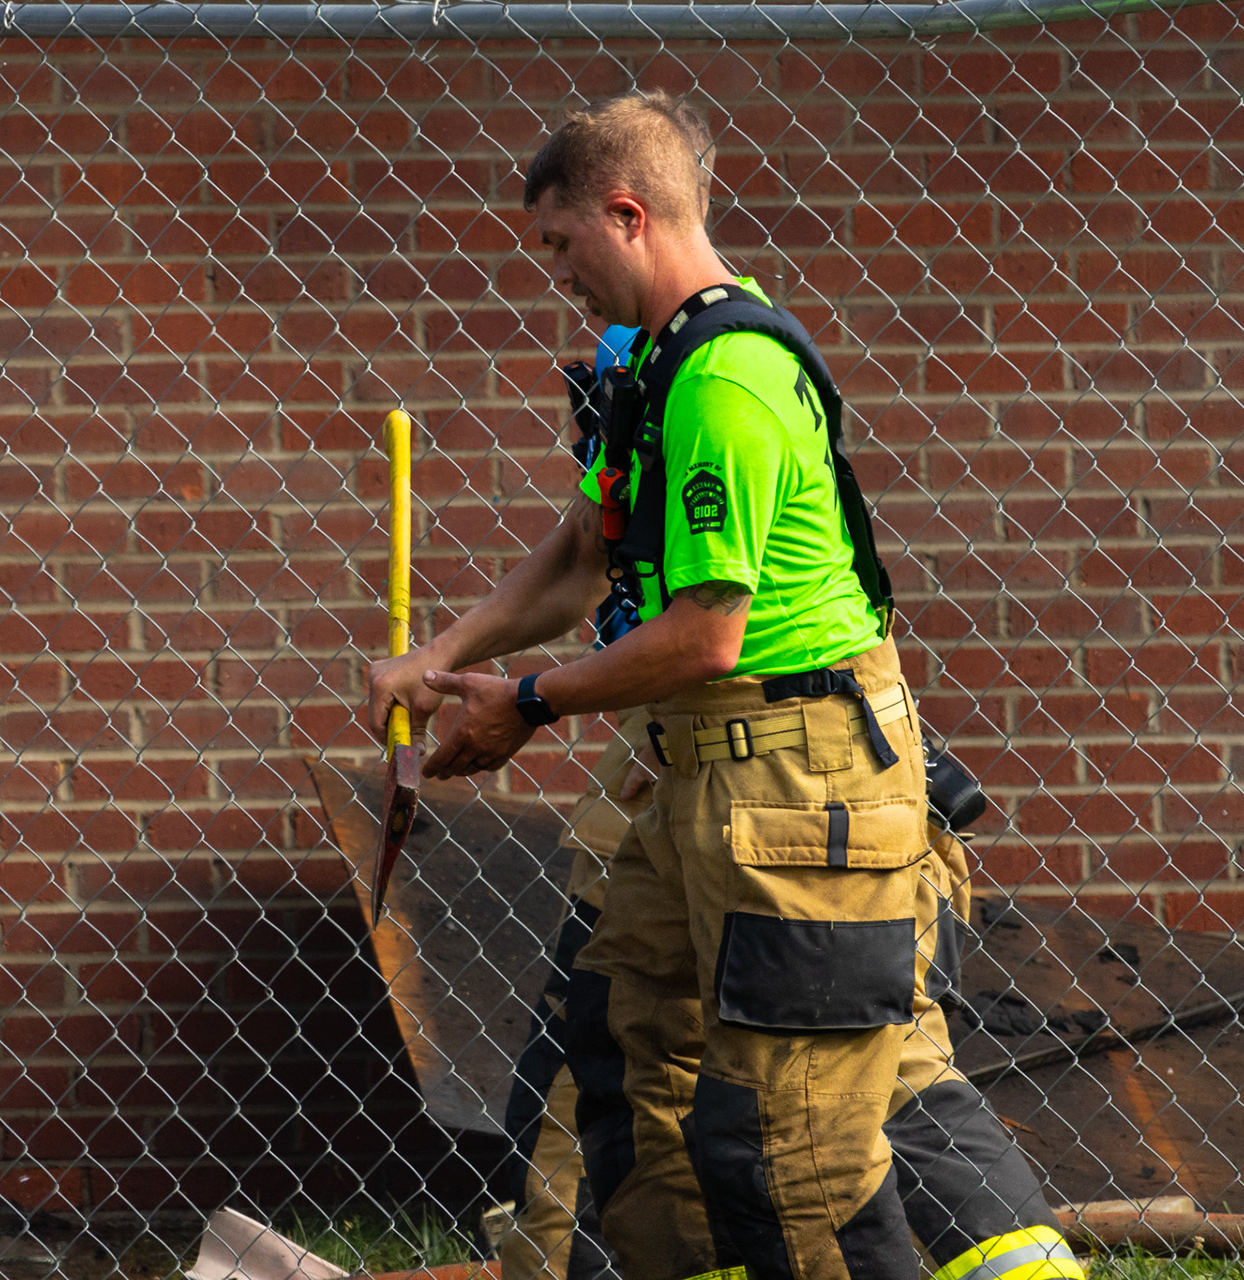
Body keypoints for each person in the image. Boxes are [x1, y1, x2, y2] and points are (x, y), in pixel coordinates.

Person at [368, 90, 1081, 1280]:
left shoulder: (728, 381)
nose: (556, 275)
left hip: (802, 778)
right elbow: (586, 552)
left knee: (784, 1153)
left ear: (629, 215)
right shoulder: (648, 368)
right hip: (697, 776)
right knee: (623, 1043)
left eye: (560, 244)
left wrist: (528, 702)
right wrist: (441, 656)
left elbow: (706, 634)